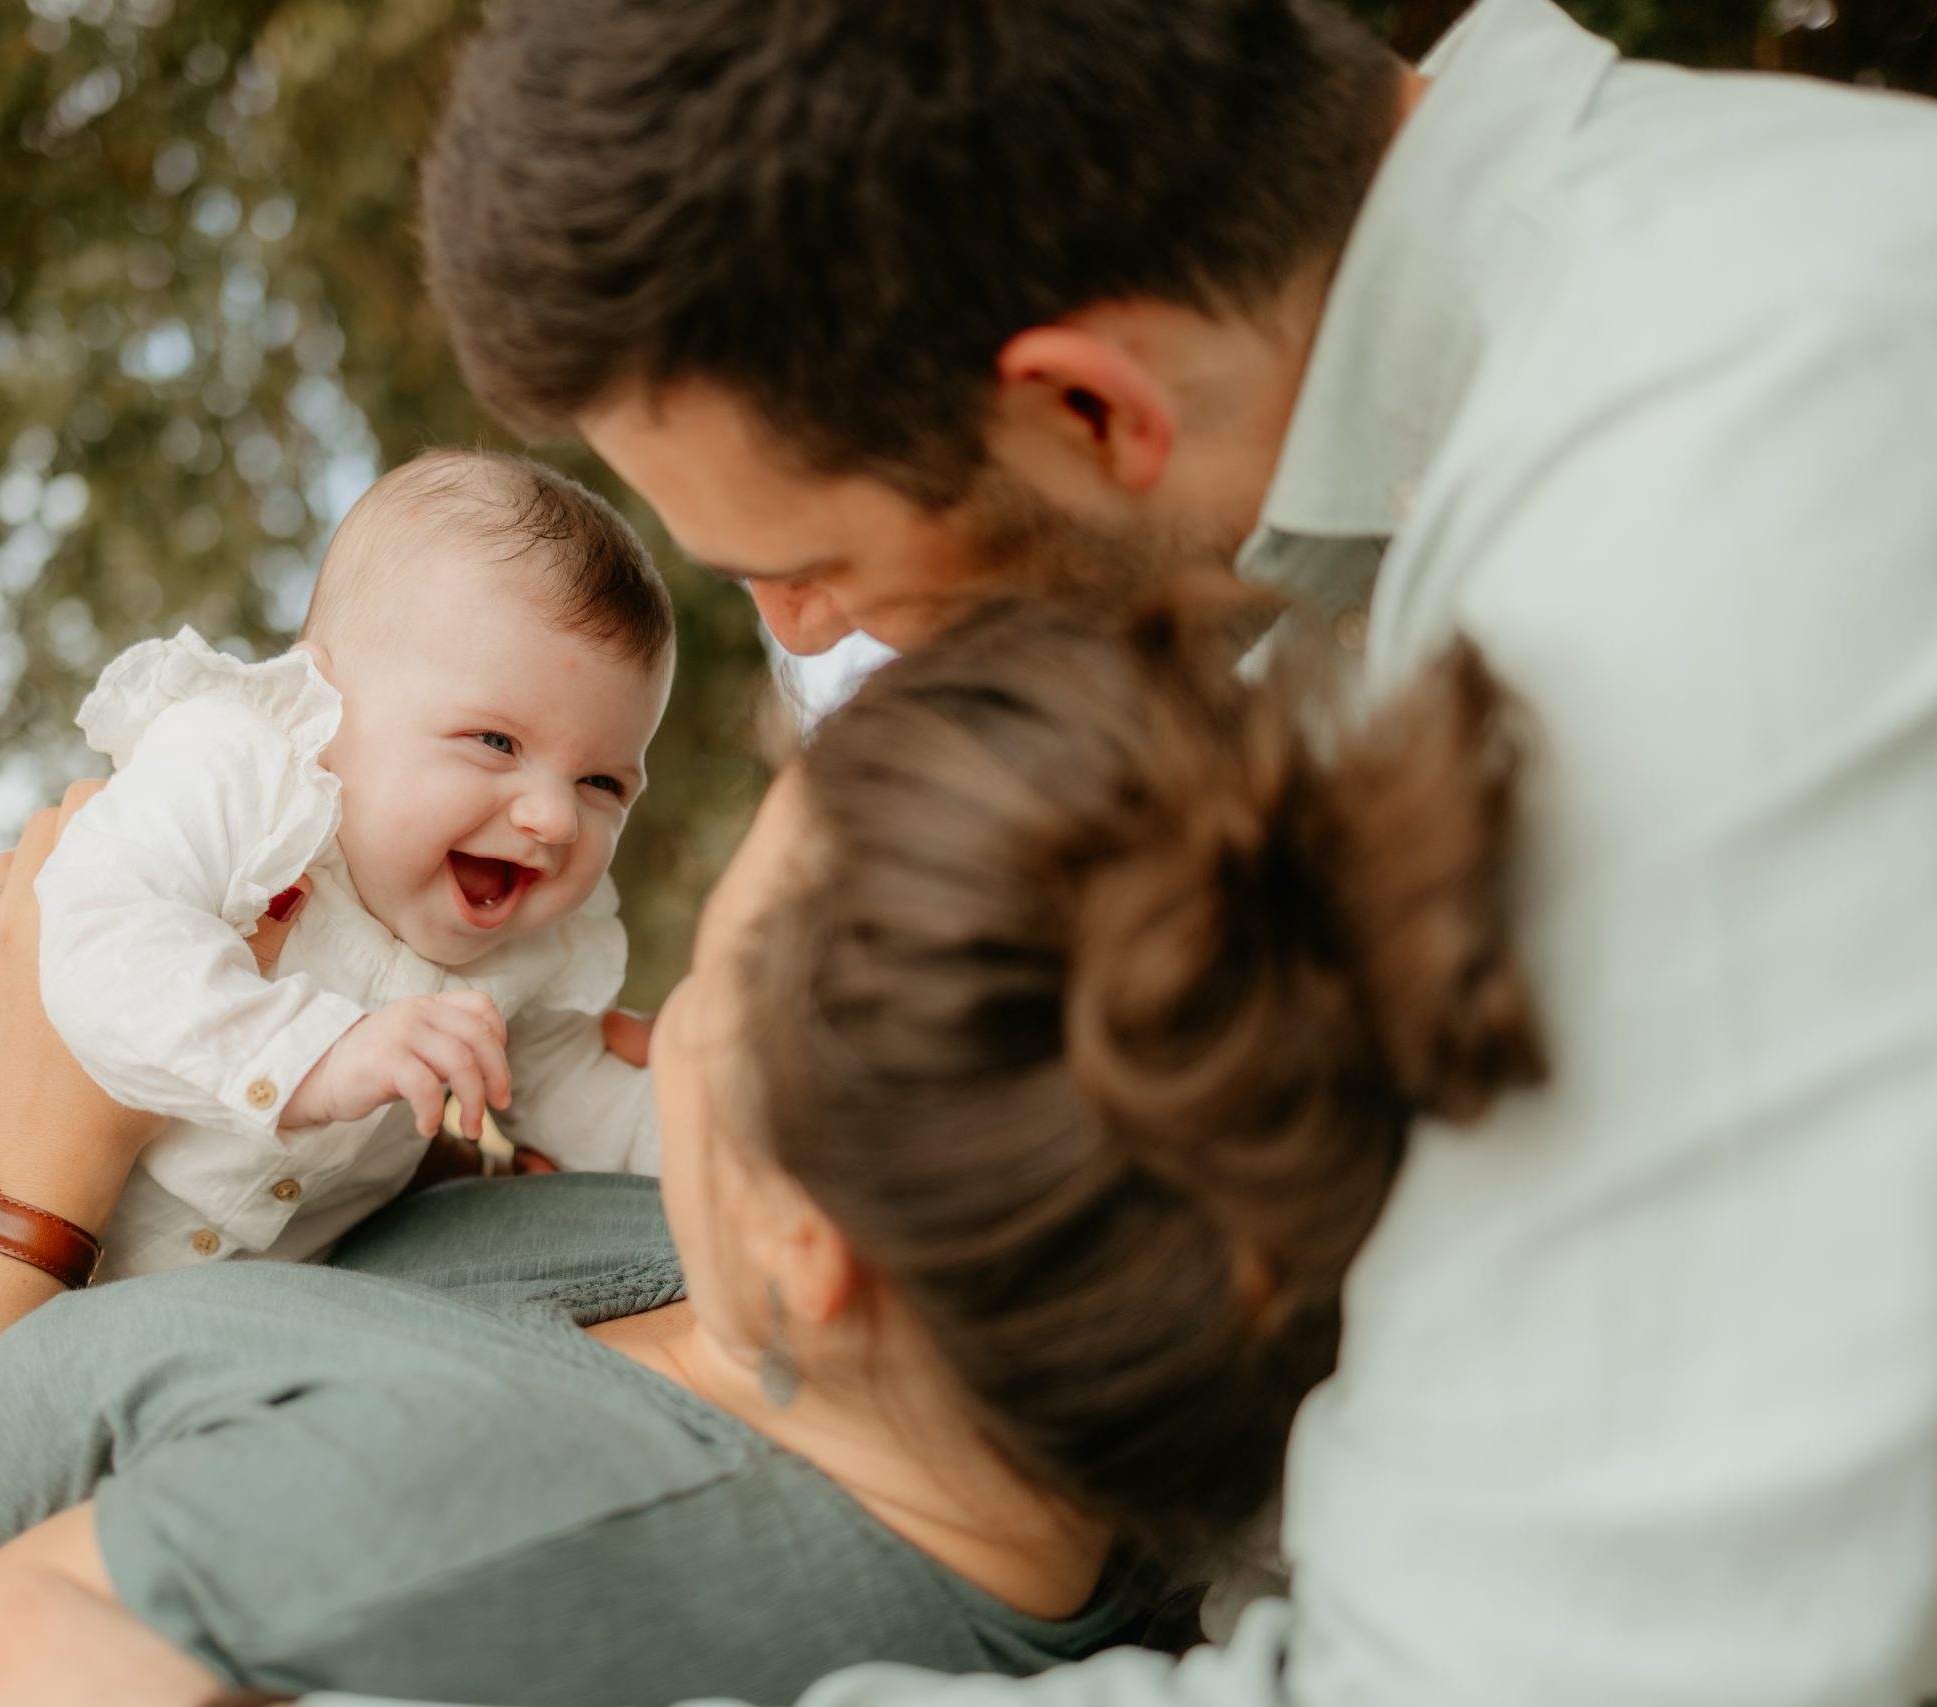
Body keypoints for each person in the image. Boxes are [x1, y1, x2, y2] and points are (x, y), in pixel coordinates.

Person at [411, 0, 1937, 1702]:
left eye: (814, 561)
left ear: (1088, 408)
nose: (801, 627)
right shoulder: (1386, 548)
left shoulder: (1711, 516)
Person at [0, 526, 1528, 1706]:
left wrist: (32, 1189)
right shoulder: (1037, 1339)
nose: (648, 1016)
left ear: (818, 1243)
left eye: (717, 1010)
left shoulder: (400, 1550)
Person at [0, 450, 670, 1400]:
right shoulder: (245, 775)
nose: (550, 818)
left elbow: (590, 1102)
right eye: (495, 742)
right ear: (323, 705)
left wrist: (710, 1133)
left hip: (185, 1298)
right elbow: (106, 939)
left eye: (602, 783)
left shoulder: (541, 949)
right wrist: (315, 1054)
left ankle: (35, 1443)